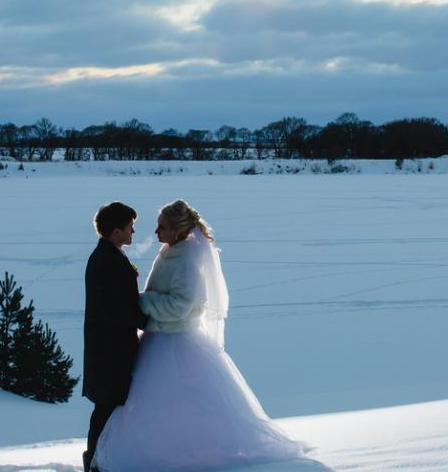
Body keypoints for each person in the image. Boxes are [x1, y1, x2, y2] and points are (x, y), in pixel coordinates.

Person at [92, 200, 307, 471]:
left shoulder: (187, 259)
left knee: (182, 401)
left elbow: (183, 304)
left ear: (177, 231)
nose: (155, 232)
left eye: (162, 227)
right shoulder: (171, 250)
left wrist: (144, 303)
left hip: (174, 341)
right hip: (158, 338)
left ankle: (186, 453)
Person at [83, 202, 149, 472]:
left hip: (112, 349)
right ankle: (94, 462)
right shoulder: (105, 261)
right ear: (115, 231)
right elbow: (112, 310)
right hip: (108, 351)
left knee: (109, 408)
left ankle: (100, 460)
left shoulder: (111, 255)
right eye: (130, 226)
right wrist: (147, 321)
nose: (134, 231)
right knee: (105, 408)